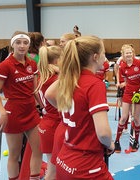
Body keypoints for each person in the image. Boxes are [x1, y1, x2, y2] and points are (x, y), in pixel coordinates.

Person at [45, 35, 114, 179]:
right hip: (86, 166)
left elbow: (49, 94)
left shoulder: (70, 78)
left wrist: (75, 115)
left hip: (64, 160)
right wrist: (110, 144)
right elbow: (103, 133)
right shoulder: (95, 84)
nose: (105, 57)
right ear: (95, 57)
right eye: (103, 53)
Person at [0, 31, 42, 179]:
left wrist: (43, 106)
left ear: (29, 45)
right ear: (12, 44)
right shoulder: (5, 66)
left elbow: (35, 90)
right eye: (18, 43)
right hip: (13, 113)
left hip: (31, 111)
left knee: (38, 150)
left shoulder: (32, 63)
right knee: (15, 154)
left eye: (25, 43)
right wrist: (2, 112)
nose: (22, 46)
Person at [35, 45, 62, 179]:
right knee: (53, 171)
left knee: (54, 169)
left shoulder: (43, 76)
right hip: (54, 125)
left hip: (47, 123)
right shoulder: (55, 79)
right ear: (57, 61)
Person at [114, 44, 140, 153]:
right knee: (123, 118)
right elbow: (126, 81)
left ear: (133, 53)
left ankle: (136, 141)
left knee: (136, 119)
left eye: (130, 53)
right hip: (128, 92)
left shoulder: (139, 63)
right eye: (126, 53)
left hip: (139, 92)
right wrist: (121, 85)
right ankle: (117, 141)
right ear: (123, 55)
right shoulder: (122, 66)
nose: (129, 55)